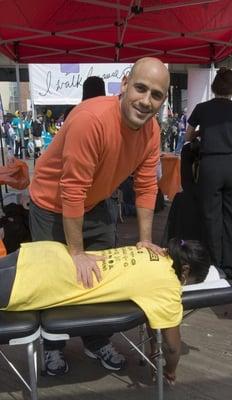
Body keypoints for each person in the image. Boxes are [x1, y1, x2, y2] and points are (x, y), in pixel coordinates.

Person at [29, 57, 170, 375]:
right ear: (124, 84)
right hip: (51, 204)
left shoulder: (152, 131)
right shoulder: (90, 119)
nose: (146, 101)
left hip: (96, 203)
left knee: (104, 277)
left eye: (156, 95)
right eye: (141, 88)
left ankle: (95, 341)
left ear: (163, 101)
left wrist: (145, 239)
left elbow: (147, 185)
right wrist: (76, 253)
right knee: (57, 278)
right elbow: (72, 191)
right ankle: (53, 346)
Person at [0, 239, 210, 385]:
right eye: (189, 282)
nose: (184, 286)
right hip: (39, 281)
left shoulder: (152, 251)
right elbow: (172, 347)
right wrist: (170, 370)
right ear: (185, 271)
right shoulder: (168, 285)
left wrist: (152, 352)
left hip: (43, 254)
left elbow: (155, 322)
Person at [185, 67, 232, 279]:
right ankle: (231, 267)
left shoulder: (202, 108)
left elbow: (187, 137)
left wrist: (203, 132)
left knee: (211, 216)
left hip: (210, 164)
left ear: (214, 88)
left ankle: (215, 265)